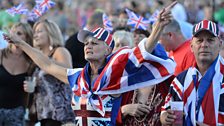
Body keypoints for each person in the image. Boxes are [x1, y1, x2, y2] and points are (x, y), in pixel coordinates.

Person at [6, 1, 177, 125]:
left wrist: (158, 27)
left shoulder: (116, 74)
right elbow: (47, 65)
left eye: (94, 43)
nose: (88, 46)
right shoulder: (79, 76)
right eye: (86, 43)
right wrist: (21, 43)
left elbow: (143, 50)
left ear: (108, 50)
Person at [160, 19, 224, 125]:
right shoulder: (180, 80)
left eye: (210, 40)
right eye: (199, 40)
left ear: (220, 44)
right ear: (191, 46)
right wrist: (165, 117)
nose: (204, 45)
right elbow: (165, 109)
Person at [23, 19, 76, 126]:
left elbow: (68, 72)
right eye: (34, 32)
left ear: (51, 33)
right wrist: (32, 88)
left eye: (39, 31)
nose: (35, 35)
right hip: (43, 114)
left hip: (60, 115)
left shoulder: (60, 51)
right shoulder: (38, 58)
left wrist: (46, 63)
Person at [0, 22, 33, 126]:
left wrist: (33, 88)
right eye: (13, 33)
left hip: (17, 113)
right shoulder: (1, 54)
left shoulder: (31, 62)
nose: (14, 36)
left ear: (27, 38)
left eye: (19, 33)